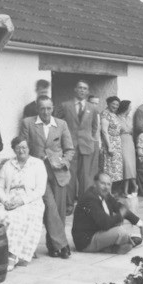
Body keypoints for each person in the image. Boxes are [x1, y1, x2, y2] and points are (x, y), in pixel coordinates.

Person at [20, 95, 75, 259]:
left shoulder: (61, 124)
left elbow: (69, 149)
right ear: (37, 109)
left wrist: (64, 161)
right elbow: (22, 147)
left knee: (59, 211)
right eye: (42, 108)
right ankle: (63, 244)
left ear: (53, 108)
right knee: (50, 207)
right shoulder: (28, 123)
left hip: (58, 173)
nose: (45, 112)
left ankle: (53, 246)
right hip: (37, 173)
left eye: (49, 108)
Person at [0, 137, 48, 271]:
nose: (21, 150)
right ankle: (0, 254)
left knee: (17, 218)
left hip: (29, 201)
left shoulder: (38, 164)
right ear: (14, 149)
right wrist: (5, 201)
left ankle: (12, 255)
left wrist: (21, 201)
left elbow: (40, 190)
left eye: (24, 147)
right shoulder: (8, 165)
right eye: (18, 147)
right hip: (9, 199)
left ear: (29, 149)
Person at [72, 172, 143, 254]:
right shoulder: (90, 198)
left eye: (108, 184)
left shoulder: (105, 194)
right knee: (120, 232)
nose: (106, 187)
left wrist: (141, 225)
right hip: (86, 241)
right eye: (103, 184)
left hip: (97, 231)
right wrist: (121, 215)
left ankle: (113, 246)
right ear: (95, 183)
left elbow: (119, 207)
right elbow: (106, 223)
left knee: (125, 228)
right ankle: (122, 243)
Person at [57, 80, 100, 214]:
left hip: (86, 147)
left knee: (85, 178)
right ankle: (69, 205)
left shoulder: (92, 107)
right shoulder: (65, 105)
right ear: (75, 90)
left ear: (87, 92)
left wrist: (90, 139)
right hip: (69, 147)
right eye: (80, 88)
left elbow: (94, 127)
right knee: (69, 177)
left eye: (85, 88)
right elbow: (57, 124)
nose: (82, 90)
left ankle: (83, 205)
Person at [100, 96, 123, 183]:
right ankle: (107, 191)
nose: (115, 106)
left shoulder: (114, 114)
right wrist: (109, 146)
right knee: (108, 168)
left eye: (117, 104)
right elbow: (104, 131)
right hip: (109, 143)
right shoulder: (105, 114)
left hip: (116, 143)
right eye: (113, 104)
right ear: (108, 103)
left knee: (115, 169)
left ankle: (111, 191)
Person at [117, 100, 138, 196]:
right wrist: (127, 130)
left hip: (130, 142)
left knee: (131, 166)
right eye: (129, 107)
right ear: (125, 107)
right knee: (126, 165)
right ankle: (134, 186)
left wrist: (127, 131)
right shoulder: (116, 118)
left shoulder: (129, 118)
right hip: (121, 141)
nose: (130, 109)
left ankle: (126, 190)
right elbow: (122, 130)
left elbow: (131, 130)